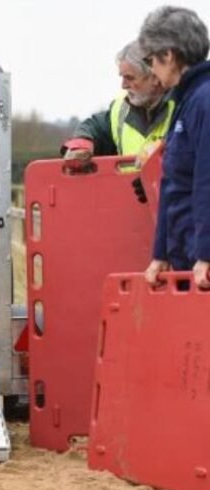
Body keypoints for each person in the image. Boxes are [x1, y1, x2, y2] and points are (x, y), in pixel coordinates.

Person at [138, 6, 210, 289]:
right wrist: (161, 253)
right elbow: (173, 184)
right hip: (186, 260)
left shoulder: (204, 102)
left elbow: (207, 181)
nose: (152, 71)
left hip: (200, 267)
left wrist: (206, 254)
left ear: (168, 55)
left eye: (150, 60)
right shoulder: (184, 103)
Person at [61, 40, 173, 164]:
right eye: (122, 77)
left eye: (130, 78)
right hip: (126, 184)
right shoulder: (121, 108)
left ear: (155, 77)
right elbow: (94, 127)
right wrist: (81, 145)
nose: (123, 85)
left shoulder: (185, 107)